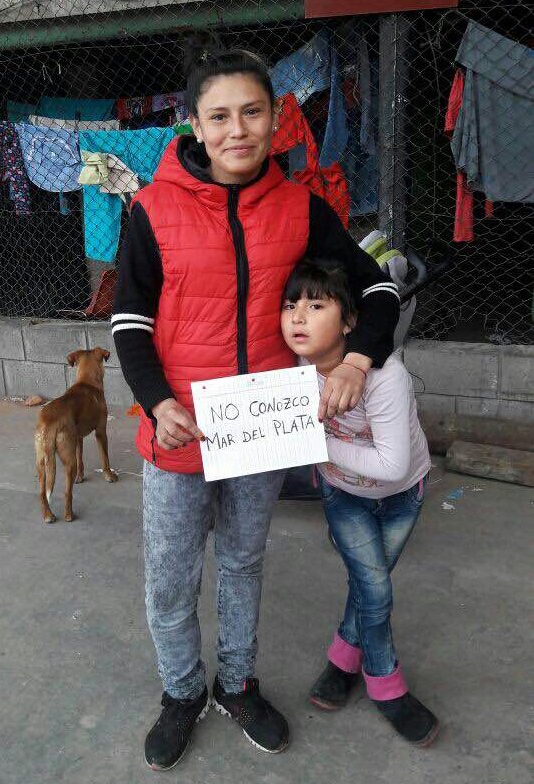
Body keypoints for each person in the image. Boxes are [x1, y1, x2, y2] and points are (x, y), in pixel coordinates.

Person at [112, 46, 400, 771]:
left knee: (243, 562)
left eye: (251, 112)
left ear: (276, 119)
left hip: (261, 430)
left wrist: (358, 359)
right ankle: (182, 692)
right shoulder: (153, 209)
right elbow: (129, 321)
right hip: (180, 430)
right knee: (170, 577)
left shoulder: (302, 209)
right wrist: (157, 402)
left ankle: (237, 684)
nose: (236, 130)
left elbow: (377, 289)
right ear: (194, 124)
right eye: (219, 116)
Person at [280, 259, 439, 747]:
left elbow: (391, 464)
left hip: (402, 496)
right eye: (290, 305)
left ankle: (342, 658)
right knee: (376, 589)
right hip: (343, 495)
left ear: (350, 321)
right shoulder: (293, 373)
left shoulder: (386, 376)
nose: (298, 317)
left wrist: (313, 444)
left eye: (315, 306)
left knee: (368, 585)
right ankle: (386, 684)